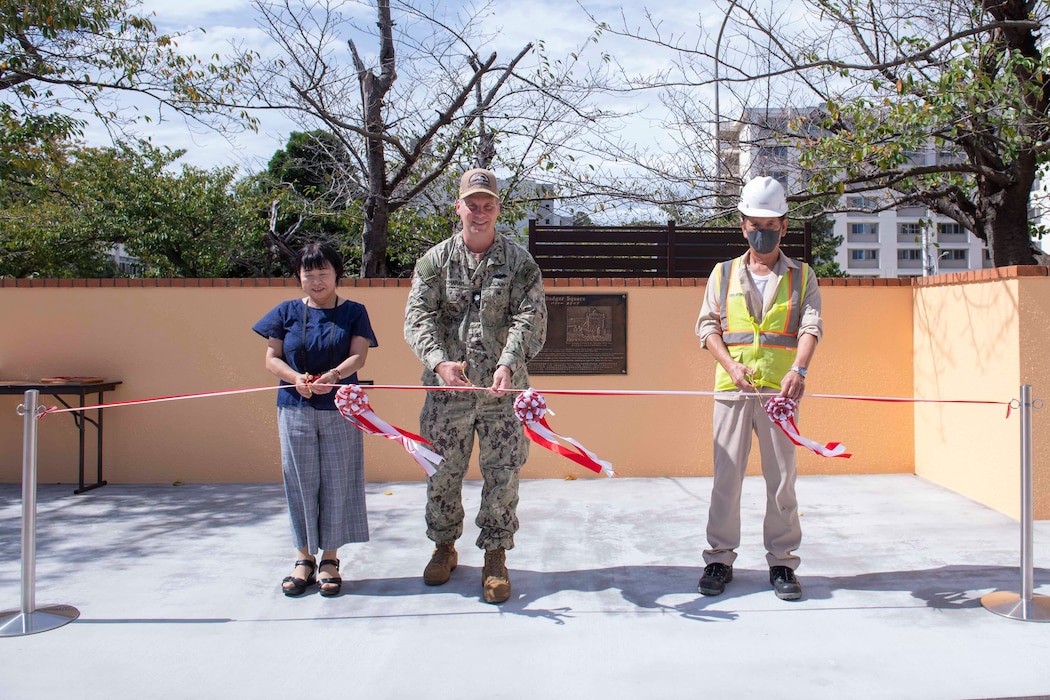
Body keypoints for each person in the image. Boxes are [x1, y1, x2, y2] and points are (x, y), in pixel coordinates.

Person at [404, 168, 547, 604]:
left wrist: (508, 363)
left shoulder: (520, 263)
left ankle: (495, 555)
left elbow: (531, 318)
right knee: (442, 472)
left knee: (503, 474)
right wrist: (438, 362)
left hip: (502, 394)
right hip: (448, 393)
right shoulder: (434, 261)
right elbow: (418, 318)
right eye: (472, 204)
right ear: (458, 207)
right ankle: (444, 546)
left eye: (488, 205)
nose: (480, 213)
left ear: (498, 209)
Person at [694, 176, 823, 601]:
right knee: (725, 478)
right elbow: (707, 326)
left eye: (769, 223)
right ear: (742, 224)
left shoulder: (803, 276)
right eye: (753, 222)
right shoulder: (723, 273)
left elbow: (810, 326)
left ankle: (783, 562)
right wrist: (730, 365)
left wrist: (799, 371)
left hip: (780, 397)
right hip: (733, 391)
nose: (761, 230)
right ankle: (719, 557)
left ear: (784, 225)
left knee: (782, 481)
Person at [253, 241, 378, 597]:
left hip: (340, 407)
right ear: (299, 276)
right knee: (300, 481)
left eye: (323, 272)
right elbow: (271, 358)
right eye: (309, 272)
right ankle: (303, 557)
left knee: (338, 480)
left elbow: (359, 356)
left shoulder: (355, 311)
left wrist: (333, 376)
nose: (316, 279)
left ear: (337, 275)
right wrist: (295, 379)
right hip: (294, 407)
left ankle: (331, 559)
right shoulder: (285, 311)